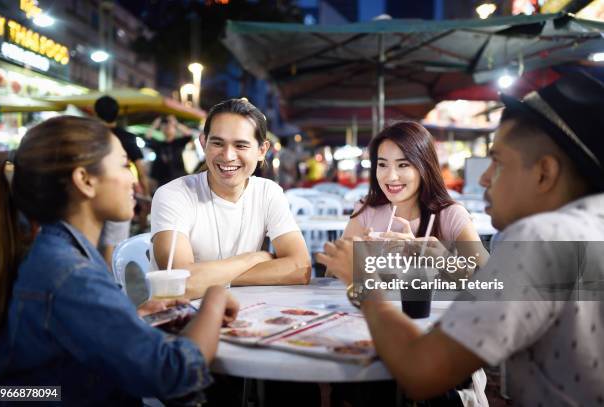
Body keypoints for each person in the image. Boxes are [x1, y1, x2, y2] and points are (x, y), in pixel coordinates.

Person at [317, 72, 604, 406]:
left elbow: (422, 372)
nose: (482, 178)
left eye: (496, 162)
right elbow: (494, 286)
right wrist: (442, 258)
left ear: (545, 173)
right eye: (382, 164)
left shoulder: (539, 239)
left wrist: (363, 282)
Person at [0, 116, 239, 404]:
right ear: (85, 180)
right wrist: (215, 297)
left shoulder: (58, 254)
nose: (134, 179)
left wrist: (128, 319)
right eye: (124, 165)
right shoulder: (70, 273)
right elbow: (172, 372)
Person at [151, 98, 311, 299]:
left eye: (241, 145)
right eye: (217, 143)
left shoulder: (268, 192)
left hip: (248, 312)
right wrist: (253, 258)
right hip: (183, 318)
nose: (227, 156)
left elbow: (300, 268)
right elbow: (181, 283)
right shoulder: (174, 195)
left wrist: (208, 276)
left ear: (262, 151)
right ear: (203, 143)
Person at [342, 121, 488, 273]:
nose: (391, 177)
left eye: (403, 165)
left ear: (424, 167)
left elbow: (491, 278)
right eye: (382, 165)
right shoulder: (367, 209)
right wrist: (359, 258)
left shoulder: (450, 214)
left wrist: (443, 259)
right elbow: (331, 274)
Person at [94, 95, 151, 266]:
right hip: (118, 193)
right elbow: (141, 171)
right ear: (117, 113)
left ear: (96, 112)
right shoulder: (126, 137)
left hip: (92, 193)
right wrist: (146, 194)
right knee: (114, 242)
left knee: (92, 240)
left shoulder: (91, 136)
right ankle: (109, 283)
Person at [145, 115, 194, 188]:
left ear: (175, 130)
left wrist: (176, 123)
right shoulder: (159, 145)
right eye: (164, 126)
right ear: (161, 129)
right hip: (163, 182)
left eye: (170, 126)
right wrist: (155, 124)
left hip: (179, 180)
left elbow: (189, 135)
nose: (167, 127)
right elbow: (147, 139)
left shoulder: (178, 142)